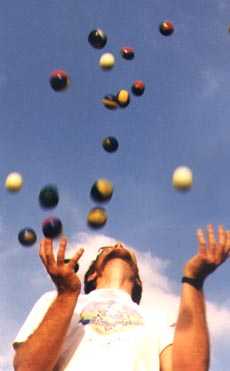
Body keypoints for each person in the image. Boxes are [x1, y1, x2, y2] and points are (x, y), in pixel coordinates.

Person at [12, 224, 230, 371]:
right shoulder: (60, 301)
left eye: (123, 248)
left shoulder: (157, 319)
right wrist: (67, 294)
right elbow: (28, 367)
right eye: (105, 249)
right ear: (92, 275)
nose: (118, 245)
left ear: (139, 281)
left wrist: (194, 280)